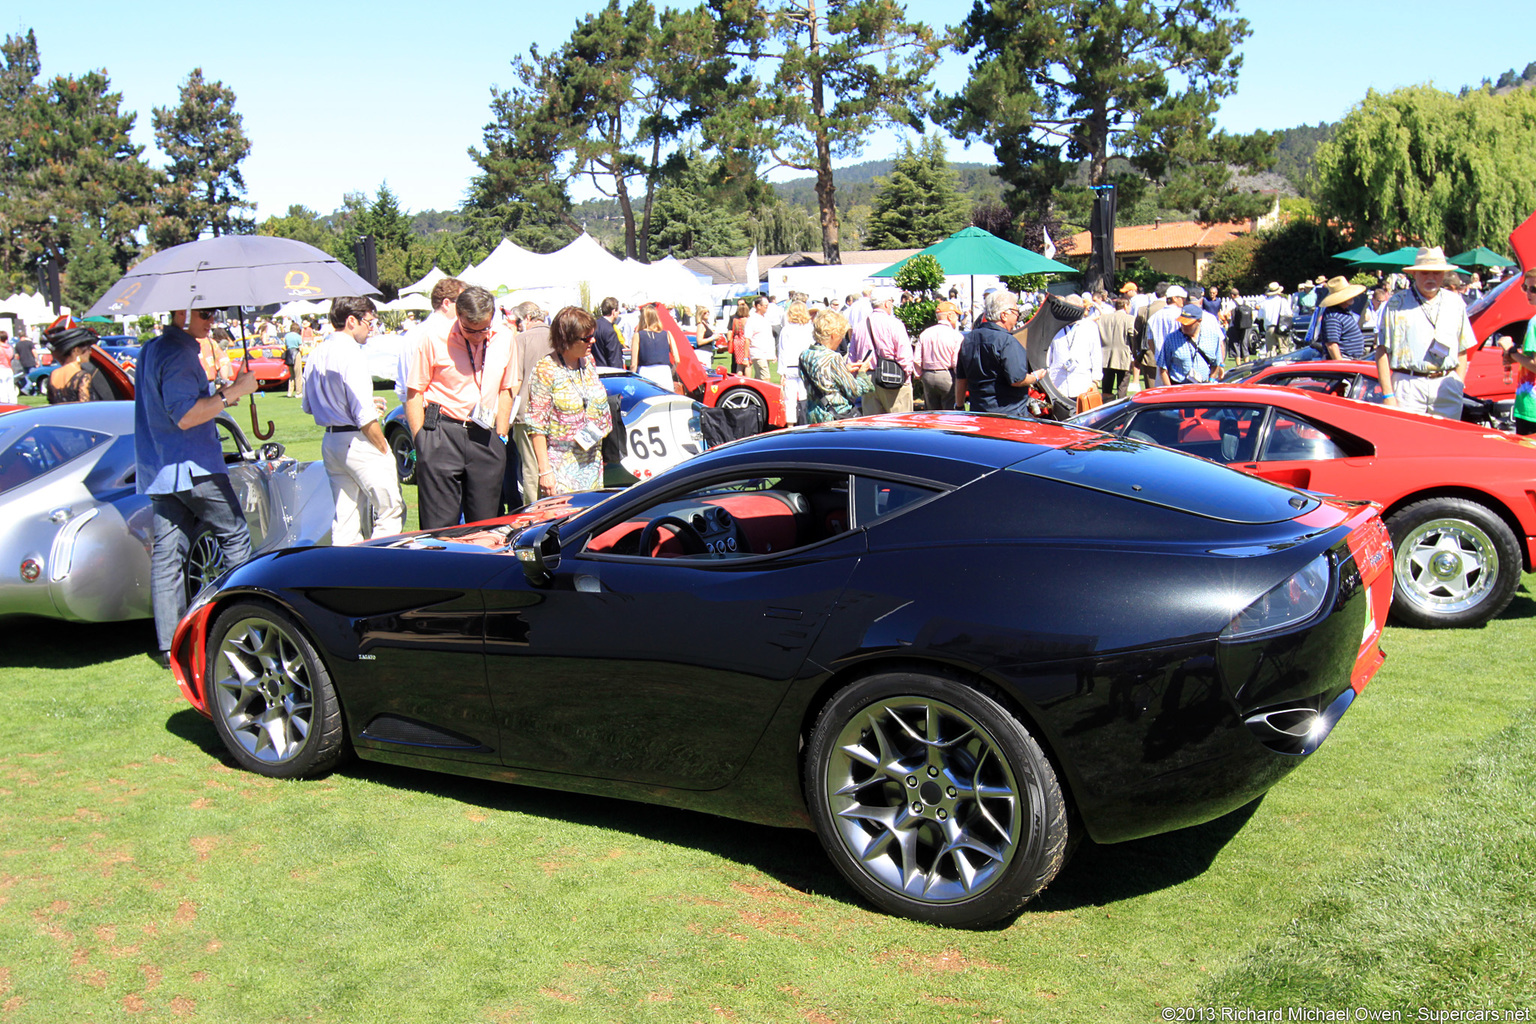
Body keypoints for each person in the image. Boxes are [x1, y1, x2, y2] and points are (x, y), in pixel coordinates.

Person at [134, 306, 260, 667]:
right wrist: (232, 392)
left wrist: (224, 392)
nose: (212, 320)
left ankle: (168, 645)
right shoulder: (178, 352)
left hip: (163, 468)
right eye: (205, 313)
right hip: (193, 467)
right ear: (180, 313)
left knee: (168, 555)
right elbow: (186, 415)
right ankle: (243, 627)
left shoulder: (152, 349)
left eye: (214, 312)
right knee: (235, 539)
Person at [405, 285, 520, 529]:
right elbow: (415, 392)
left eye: (484, 329)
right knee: (440, 527)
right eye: (470, 330)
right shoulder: (434, 338)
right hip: (442, 433)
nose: (478, 336)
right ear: (458, 316)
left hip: (485, 433)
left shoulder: (505, 337)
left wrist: (501, 435)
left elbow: (506, 389)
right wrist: (422, 442)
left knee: (487, 526)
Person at [302, 296, 404, 545]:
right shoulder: (351, 354)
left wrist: (358, 404)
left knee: (345, 517)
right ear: (351, 320)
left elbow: (308, 405)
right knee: (390, 510)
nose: (372, 328)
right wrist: (383, 448)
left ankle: (345, 575)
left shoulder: (317, 353)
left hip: (331, 439)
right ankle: (379, 570)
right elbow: (364, 417)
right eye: (369, 322)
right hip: (357, 440)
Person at [1374, 247, 1477, 419]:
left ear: (1443, 275)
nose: (1431, 277)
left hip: (1446, 385)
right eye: (1425, 272)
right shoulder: (1396, 303)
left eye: (1436, 273)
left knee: (1447, 442)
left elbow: (1462, 349)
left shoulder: (1455, 303)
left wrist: (1458, 384)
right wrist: (1388, 395)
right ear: (1414, 274)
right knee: (1408, 442)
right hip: (1408, 385)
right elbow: (1382, 351)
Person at [527, 305, 613, 496]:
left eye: (592, 335)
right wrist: (545, 471)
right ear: (566, 339)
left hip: (592, 461)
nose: (593, 341)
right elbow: (537, 426)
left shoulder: (588, 361)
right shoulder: (546, 370)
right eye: (586, 338)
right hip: (561, 466)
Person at [954, 290, 1031, 415]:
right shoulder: (1007, 341)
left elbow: (961, 379)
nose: (1017, 317)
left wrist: (959, 406)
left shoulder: (968, 339)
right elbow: (1017, 379)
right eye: (1016, 312)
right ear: (1004, 315)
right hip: (1008, 413)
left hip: (979, 411)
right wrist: (1036, 377)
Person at [509, 302, 554, 504]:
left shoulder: (521, 340)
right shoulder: (557, 336)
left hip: (526, 412)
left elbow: (515, 379)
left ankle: (533, 513)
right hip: (556, 410)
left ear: (526, 319)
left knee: (531, 468)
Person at [397, 278, 465, 404]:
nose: (466, 310)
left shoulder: (411, 334)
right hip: (438, 412)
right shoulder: (446, 334)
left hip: (415, 408)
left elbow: (402, 387)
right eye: (463, 304)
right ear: (446, 303)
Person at [849, 288, 914, 414]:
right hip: (892, 376)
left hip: (868, 377)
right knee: (899, 424)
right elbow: (904, 356)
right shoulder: (895, 324)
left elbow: (852, 357)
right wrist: (906, 377)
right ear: (886, 303)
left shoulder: (860, 325)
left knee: (873, 426)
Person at [799, 308, 872, 422]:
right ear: (834, 334)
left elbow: (821, 378)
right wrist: (862, 373)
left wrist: (844, 369)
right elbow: (854, 390)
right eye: (841, 336)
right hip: (835, 416)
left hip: (814, 415)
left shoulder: (805, 355)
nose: (841, 340)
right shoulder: (833, 357)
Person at [1495, 267, 1536, 436]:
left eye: (1534, 289)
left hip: (1531, 409)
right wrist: (1517, 358)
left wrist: (1511, 351)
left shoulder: (1534, 322)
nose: (1529, 293)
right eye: (1526, 288)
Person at [1044, 297, 1101, 417]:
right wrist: (1048, 379)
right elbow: (1048, 354)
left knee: (1083, 418)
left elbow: (1096, 354)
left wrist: (1095, 380)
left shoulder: (1090, 326)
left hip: (1082, 382)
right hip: (1058, 383)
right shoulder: (1054, 327)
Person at [916, 300, 965, 409]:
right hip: (947, 375)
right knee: (949, 413)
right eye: (957, 316)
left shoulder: (925, 333)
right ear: (950, 316)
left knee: (931, 413)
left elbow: (917, 359)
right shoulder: (956, 335)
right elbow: (955, 362)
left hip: (928, 376)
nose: (957, 319)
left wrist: (920, 374)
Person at [1159, 306, 1225, 385]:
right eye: (1182, 322)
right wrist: (1170, 390)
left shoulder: (1213, 337)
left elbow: (1216, 363)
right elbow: (1163, 368)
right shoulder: (1171, 339)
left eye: (1188, 324)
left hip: (1203, 386)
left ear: (1199, 321)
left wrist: (1211, 379)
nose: (1184, 326)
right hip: (1179, 387)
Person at [777, 300, 816, 424]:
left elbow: (782, 351)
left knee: (790, 399)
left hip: (790, 366)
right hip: (806, 366)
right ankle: (806, 422)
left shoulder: (786, 330)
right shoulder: (810, 329)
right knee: (805, 396)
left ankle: (791, 425)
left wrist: (781, 372)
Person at [44, 322, 99, 404]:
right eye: (88, 349)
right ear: (76, 351)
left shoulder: (53, 374)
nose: (90, 352)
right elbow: (85, 407)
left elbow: (51, 404)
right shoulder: (82, 376)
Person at [1313, 278, 1367, 360]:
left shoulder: (1341, 312)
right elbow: (1331, 345)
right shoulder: (1333, 316)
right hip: (1344, 360)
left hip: (1349, 359)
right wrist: (1340, 364)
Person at [1098, 296, 1137, 399]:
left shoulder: (1103, 318)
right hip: (1123, 356)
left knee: (1106, 386)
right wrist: (1134, 353)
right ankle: (1120, 407)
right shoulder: (1130, 319)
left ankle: (1106, 406)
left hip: (1105, 356)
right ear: (1125, 305)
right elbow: (1132, 336)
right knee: (1122, 386)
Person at [629, 304, 676, 389]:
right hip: (665, 373)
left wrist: (631, 382)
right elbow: (677, 359)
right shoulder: (667, 334)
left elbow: (633, 364)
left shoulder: (638, 335)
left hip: (646, 373)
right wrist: (671, 372)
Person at [744, 295, 775, 380]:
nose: (767, 308)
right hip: (758, 353)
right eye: (765, 306)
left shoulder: (765, 319)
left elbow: (769, 337)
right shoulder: (752, 320)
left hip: (765, 353)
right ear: (758, 306)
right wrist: (746, 357)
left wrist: (773, 353)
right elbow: (747, 339)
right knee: (766, 378)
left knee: (758, 379)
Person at [591, 296, 625, 369]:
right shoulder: (610, 331)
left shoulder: (593, 326)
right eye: (618, 311)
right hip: (607, 372)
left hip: (594, 369)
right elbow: (614, 359)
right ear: (613, 312)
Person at [1258, 282, 1289, 356]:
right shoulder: (1283, 301)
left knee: (1270, 351)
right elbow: (1289, 314)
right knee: (1284, 350)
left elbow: (1260, 316)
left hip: (1269, 327)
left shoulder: (1264, 303)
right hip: (1281, 326)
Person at [727, 299, 750, 374]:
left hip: (737, 341)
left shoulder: (735, 320)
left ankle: (739, 380)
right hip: (745, 341)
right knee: (747, 364)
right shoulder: (747, 320)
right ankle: (747, 381)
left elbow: (730, 331)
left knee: (739, 365)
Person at [284, 320, 303, 397]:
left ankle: (290, 392)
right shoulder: (298, 337)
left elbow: (285, 345)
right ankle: (298, 392)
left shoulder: (287, 336)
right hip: (296, 353)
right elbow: (301, 348)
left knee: (291, 374)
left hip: (289, 353)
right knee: (298, 374)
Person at [0, 330, 14, 405]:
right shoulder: (10, 348)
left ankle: (5, 405)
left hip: (1, 369)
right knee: (11, 389)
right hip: (8, 368)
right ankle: (13, 404)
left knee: (2, 390)